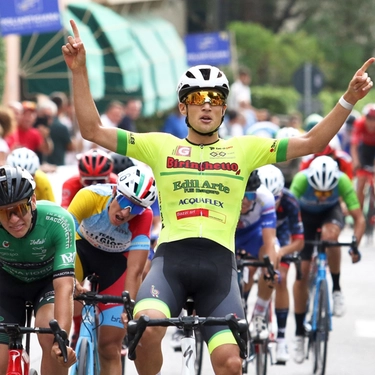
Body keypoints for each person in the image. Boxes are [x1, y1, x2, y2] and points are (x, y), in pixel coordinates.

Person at [62, 21, 373, 374]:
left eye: (216, 99)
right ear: (184, 108)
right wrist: (79, 71)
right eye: (197, 99)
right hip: (170, 263)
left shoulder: (245, 149)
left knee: (230, 364)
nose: (206, 106)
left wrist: (348, 99)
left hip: (219, 269)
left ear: (225, 109)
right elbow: (92, 130)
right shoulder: (161, 144)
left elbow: (313, 143)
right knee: (145, 329)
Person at [67, 165, 156, 375]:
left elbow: (135, 269)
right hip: (81, 251)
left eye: (135, 208)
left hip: (116, 265)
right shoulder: (90, 196)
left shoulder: (145, 216)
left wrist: (128, 306)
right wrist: (70, 278)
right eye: (125, 202)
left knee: (109, 347)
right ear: (115, 191)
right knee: (63, 316)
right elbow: (64, 241)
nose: (126, 212)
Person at [0, 165, 76, 374]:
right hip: (7, 286)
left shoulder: (58, 221)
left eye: (20, 209)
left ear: (33, 201)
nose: (14, 219)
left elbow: (64, 287)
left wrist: (62, 340)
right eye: (4, 213)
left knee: (52, 337)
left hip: (47, 285)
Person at [289, 156, 365, 364]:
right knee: (301, 274)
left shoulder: (342, 181)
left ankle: (336, 288)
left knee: (330, 238)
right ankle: (298, 333)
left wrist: (355, 245)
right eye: (318, 192)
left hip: (330, 214)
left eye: (327, 193)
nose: (322, 196)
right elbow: (288, 214)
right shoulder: (301, 181)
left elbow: (359, 219)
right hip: (304, 216)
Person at [257, 164, 304, 363]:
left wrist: (280, 252)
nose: (271, 203)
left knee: (281, 279)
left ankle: (282, 338)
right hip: (258, 234)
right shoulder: (250, 197)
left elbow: (299, 240)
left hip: (281, 238)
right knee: (246, 271)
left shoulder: (291, 201)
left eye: (275, 199)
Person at [235, 170, 279, 340]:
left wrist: (269, 269)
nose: (246, 201)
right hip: (229, 233)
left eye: (250, 196)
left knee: (271, 267)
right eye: (241, 195)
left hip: (254, 234)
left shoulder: (265, 198)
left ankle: (259, 313)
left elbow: (269, 243)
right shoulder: (225, 192)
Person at [350, 104, 375, 208]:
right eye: (369, 119)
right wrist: (356, 161)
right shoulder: (359, 123)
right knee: (360, 185)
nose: (371, 122)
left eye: (374, 119)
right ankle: (359, 214)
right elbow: (354, 145)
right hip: (364, 151)